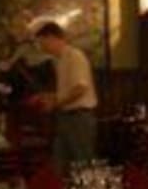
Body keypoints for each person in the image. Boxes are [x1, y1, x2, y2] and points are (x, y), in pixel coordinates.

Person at [25, 20, 97, 170]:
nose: (41, 47)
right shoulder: (59, 60)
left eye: (42, 42)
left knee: (81, 164)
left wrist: (55, 103)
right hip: (65, 117)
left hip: (78, 117)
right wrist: (47, 97)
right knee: (60, 164)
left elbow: (80, 88)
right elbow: (67, 91)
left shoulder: (74, 56)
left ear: (51, 37)